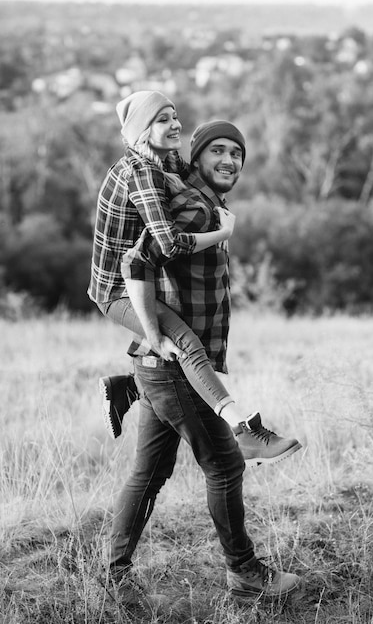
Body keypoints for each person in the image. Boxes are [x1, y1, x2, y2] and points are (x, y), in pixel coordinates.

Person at [104, 121, 302, 614]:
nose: (230, 161)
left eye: (237, 153)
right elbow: (136, 263)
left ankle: (114, 573)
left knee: (149, 472)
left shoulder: (201, 201)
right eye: (218, 150)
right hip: (173, 366)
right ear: (197, 156)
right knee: (226, 465)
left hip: (167, 364)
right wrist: (153, 337)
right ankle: (246, 574)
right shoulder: (193, 206)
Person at [88, 90, 301, 466]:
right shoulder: (143, 173)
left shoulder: (167, 160)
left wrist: (215, 180)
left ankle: (128, 387)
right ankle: (244, 431)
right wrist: (221, 234)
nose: (175, 125)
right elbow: (167, 243)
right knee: (183, 342)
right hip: (116, 289)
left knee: (149, 469)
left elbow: (195, 177)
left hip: (137, 280)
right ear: (141, 131)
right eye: (163, 119)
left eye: (175, 116)